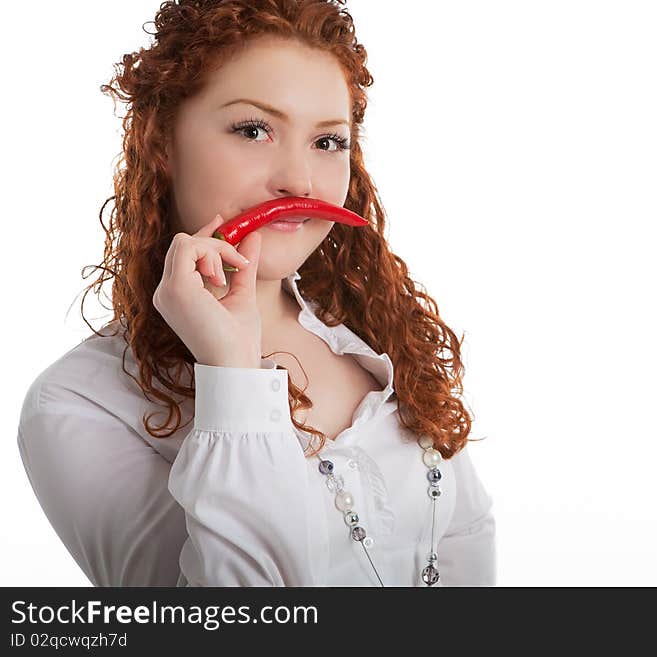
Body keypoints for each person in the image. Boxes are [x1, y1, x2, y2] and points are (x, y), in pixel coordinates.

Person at [16, 0, 495, 587]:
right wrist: (233, 375)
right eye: (253, 130)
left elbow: (468, 545)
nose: (299, 180)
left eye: (328, 142)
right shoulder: (79, 404)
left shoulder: (378, 335)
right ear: (162, 142)